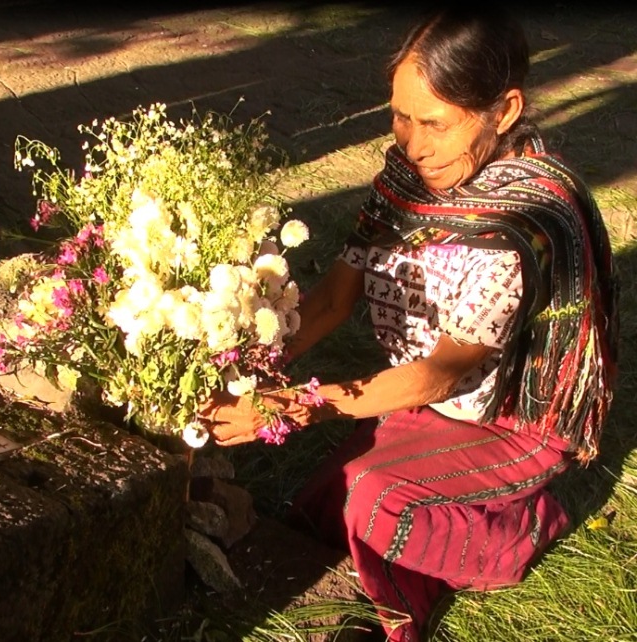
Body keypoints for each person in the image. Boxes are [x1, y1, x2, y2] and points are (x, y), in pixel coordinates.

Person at [198, 6, 618, 641]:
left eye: (435, 124)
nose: (413, 144)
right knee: (327, 504)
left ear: (502, 112)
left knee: (373, 499)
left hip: (506, 417)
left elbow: (446, 373)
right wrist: (248, 374)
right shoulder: (403, 179)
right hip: (429, 399)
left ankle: (514, 535)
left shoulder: (523, 222)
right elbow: (335, 300)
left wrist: (302, 407)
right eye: (400, 116)